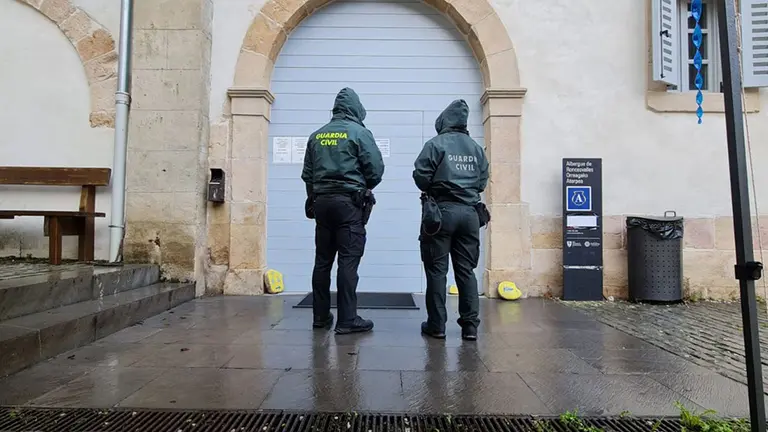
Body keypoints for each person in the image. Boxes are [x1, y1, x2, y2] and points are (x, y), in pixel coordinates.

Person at [302, 87, 385, 335]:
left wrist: (313, 198)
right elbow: (376, 170)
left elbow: (308, 175)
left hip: (322, 204)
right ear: (356, 109)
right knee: (348, 262)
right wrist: (362, 186)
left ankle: (320, 316)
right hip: (349, 204)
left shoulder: (316, 136)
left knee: (322, 261)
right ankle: (347, 319)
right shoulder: (359, 133)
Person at [412, 99, 489, 341]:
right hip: (469, 214)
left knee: (437, 271)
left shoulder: (436, 144)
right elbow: (482, 181)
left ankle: (437, 325)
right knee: (466, 271)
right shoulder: (476, 149)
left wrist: (436, 188)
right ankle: (470, 327)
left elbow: (420, 176)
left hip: (440, 214)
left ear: (445, 120)